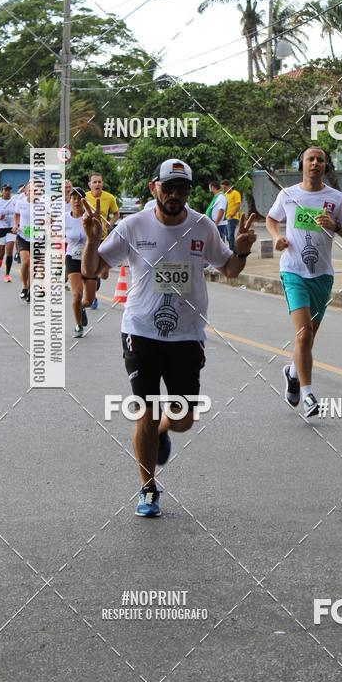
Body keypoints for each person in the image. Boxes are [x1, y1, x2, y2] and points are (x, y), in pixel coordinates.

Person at [81, 158, 256, 518]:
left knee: (184, 418)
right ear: (154, 188)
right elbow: (92, 270)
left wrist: (241, 248)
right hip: (141, 332)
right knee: (145, 410)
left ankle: (163, 428)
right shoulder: (133, 226)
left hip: (187, 336)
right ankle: (147, 488)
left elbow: (231, 269)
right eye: (169, 187)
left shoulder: (202, 227)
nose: (175, 194)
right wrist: (91, 240)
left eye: (182, 188)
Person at [266, 147, 342, 418]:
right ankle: (308, 395)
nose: (316, 163)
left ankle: (293, 372)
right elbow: (272, 219)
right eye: (311, 159)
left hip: (322, 275)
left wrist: (336, 227)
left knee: (309, 337)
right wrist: (275, 238)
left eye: (320, 160)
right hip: (293, 271)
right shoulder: (288, 195)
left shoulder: (336, 198)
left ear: (325, 165)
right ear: (302, 164)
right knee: (303, 334)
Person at [65, 187, 98, 337]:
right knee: (77, 294)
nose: (77, 201)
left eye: (79, 198)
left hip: (89, 259)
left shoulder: (89, 217)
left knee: (88, 301)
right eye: (74, 198)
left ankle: (81, 308)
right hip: (72, 258)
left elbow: (97, 238)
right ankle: (78, 325)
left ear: (84, 201)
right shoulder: (64, 218)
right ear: (69, 200)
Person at [84, 172, 119, 309]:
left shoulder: (109, 197)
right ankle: (93, 297)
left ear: (102, 183)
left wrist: (110, 222)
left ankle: (94, 285)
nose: (97, 184)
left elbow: (116, 214)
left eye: (99, 182)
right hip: (88, 238)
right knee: (90, 269)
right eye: (94, 182)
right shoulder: (84, 197)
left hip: (103, 237)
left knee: (102, 273)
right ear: (89, 184)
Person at [12, 182, 33, 302]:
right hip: (23, 236)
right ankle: (24, 286)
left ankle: (30, 288)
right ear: (26, 192)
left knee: (33, 266)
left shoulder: (43, 204)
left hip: (37, 238)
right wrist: (15, 225)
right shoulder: (21, 202)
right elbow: (16, 215)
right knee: (25, 262)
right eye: (31, 190)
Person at [221, 179, 242, 250]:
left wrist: (232, 215)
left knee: (230, 236)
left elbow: (238, 205)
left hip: (232, 218)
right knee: (227, 236)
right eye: (223, 188)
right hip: (225, 218)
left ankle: (233, 252)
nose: (224, 189)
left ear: (229, 186)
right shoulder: (225, 195)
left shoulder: (235, 193)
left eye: (225, 188)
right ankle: (233, 249)